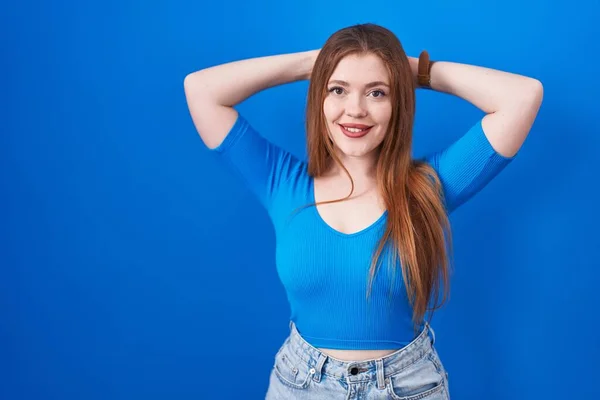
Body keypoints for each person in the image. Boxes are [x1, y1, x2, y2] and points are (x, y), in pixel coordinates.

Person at [183, 23, 542, 400]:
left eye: (377, 92)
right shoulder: (281, 181)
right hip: (299, 386)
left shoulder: (428, 187)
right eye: (337, 89)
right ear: (319, 97)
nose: (355, 109)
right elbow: (201, 90)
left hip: (406, 387)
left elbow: (523, 96)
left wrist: (417, 71)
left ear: (398, 102)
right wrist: (314, 63)